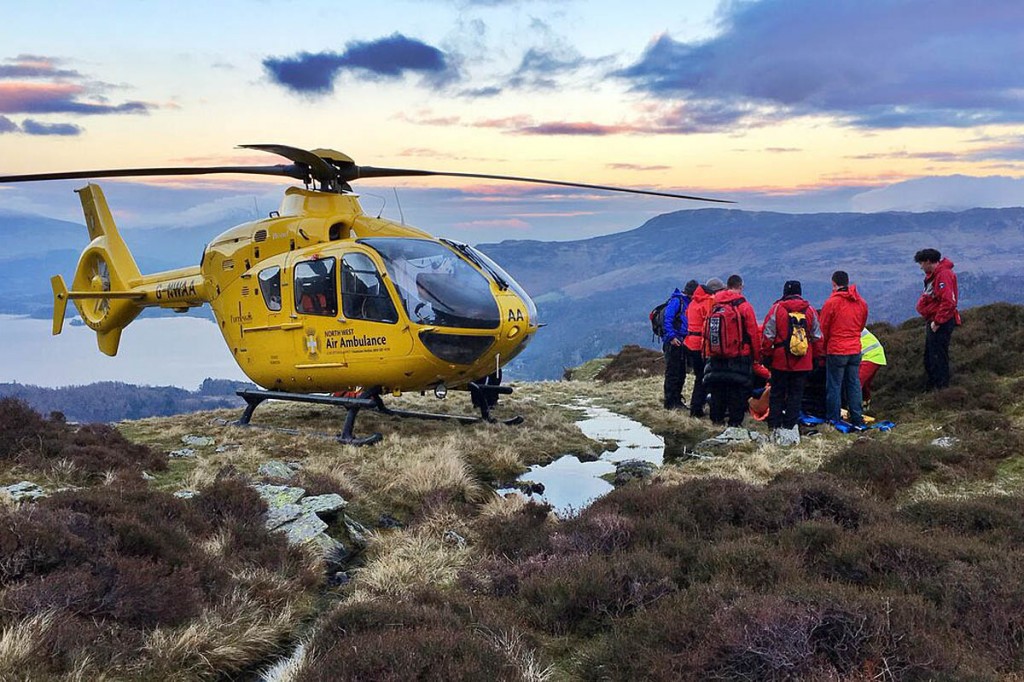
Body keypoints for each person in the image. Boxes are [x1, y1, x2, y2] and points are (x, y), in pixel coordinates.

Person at [761, 280, 823, 445]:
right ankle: (790, 425)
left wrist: (767, 356)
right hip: (803, 360)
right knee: (796, 394)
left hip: (781, 359)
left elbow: (768, 335)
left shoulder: (777, 309)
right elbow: (817, 337)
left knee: (777, 393)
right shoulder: (810, 310)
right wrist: (816, 358)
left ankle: (774, 424)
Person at [703, 274, 760, 431]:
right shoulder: (744, 306)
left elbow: (706, 331)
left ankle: (716, 422)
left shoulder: (715, 304)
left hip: (716, 355)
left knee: (718, 390)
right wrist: (756, 356)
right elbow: (753, 332)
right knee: (737, 391)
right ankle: (734, 424)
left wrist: (709, 353)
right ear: (740, 286)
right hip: (739, 355)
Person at [820, 271, 869, 426]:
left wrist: (824, 347)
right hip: (855, 349)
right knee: (854, 384)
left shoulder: (831, 303)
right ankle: (857, 417)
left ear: (834, 284)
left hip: (836, 350)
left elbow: (824, 328)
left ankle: (833, 419)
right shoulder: (861, 302)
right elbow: (861, 325)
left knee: (834, 385)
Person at [914, 248, 961, 390]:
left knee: (938, 356)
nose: (921, 267)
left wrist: (938, 321)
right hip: (935, 320)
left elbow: (948, 301)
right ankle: (934, 386)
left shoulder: (943, 275)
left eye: (922, 263)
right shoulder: (935, 275)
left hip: (941, 322)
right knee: (930, 356)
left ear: (928, 261)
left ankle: (941, 388)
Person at [683, 277, 723, 417]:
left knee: (699, 376)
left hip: (690, 343)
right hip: (702, 344)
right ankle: (699, 408)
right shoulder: (709, 301)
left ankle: (696, 407)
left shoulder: (693, 302)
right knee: (705, 377)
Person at [661, 281, 695, 409]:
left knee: (680, 373)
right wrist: (672, 337)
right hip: (674, 342)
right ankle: (670, 402)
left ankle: (676, 400)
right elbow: (667, 319)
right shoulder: (677, 301)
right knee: (673, 373)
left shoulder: (684, 301)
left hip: (682, 342)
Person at [859, 327, 886, 408]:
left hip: (870, 356)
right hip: (873, 355)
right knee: (864, 384)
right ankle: (865, 404)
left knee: (856, 383)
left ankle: (856, 410)